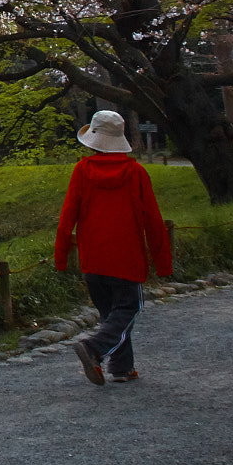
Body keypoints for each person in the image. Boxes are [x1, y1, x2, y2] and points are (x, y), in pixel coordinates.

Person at [54, 110, 173, 385]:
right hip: (126, 259)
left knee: (111, 315)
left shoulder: (82, 170)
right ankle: (93, 348)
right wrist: (163, 262)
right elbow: (153, 221)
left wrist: (61, 257)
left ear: (93, 140)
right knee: (127, 309)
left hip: (92, 259)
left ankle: (121, 368)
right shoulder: (136, 173)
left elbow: (67, 217)